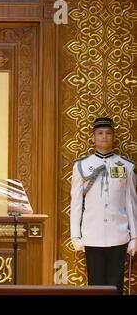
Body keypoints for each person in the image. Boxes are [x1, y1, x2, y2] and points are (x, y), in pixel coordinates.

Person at [70, 117, 137, 294]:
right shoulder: (82, 166)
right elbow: (76, 202)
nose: (104, 136)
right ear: (92, 138)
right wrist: (75, 235)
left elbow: (130, 202)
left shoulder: (127, 166)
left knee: (116, 285)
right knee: (96, 285)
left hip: (119, 233)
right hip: (92, 234)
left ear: (114, 137)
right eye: (100, 133)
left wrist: (134, 237)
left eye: (108, 133)